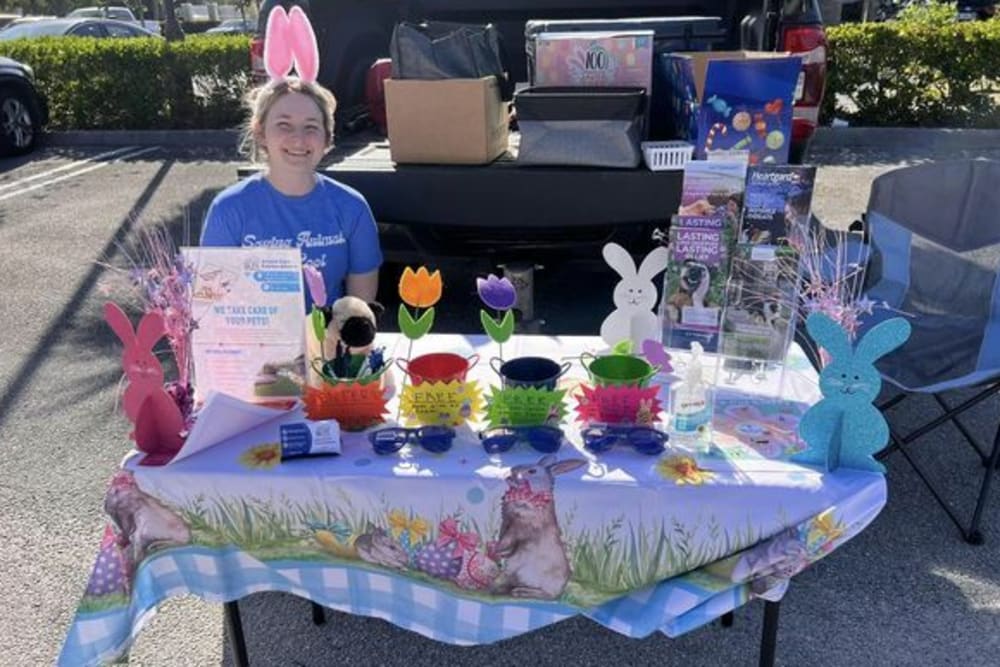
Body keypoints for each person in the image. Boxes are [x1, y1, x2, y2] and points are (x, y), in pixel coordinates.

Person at [200, 78, 382, 310]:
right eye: (284, 125)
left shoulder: (352, 208)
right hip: (254, 345)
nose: (298, 139)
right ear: (261, 132)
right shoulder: (228, 209)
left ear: (327, 137)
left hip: (327, 344)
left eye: (311, 127)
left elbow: (359, 315)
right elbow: (212, 307)